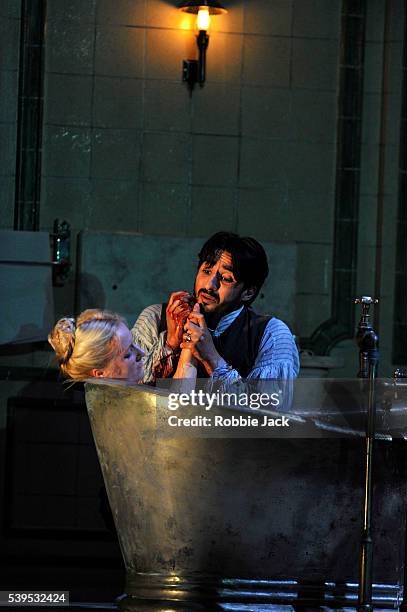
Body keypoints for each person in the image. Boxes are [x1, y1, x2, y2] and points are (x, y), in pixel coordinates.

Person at [132, 232, 299, 388]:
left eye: (226, 279)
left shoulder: (271, 333)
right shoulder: (155, 317)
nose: (209, 285)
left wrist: (211, 358)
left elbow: (268, 409)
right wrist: (170, 345)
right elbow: (129, 389)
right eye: (206, 271)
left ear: (248, 292)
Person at [49, 308, 197, 384]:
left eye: (133, 344)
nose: (142, 353)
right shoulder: (121, 408)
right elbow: (179, 411)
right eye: (127, 355)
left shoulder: (124, 385)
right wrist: (190, 342)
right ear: (100, 373)